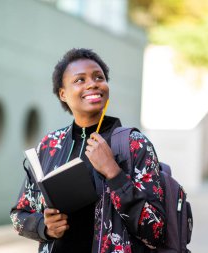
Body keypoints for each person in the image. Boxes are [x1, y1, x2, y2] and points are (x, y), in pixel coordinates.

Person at [10, 48, 165, 253]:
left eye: (99, 77)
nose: (92, 83)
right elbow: (19, 215)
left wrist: (114, 173)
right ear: (63, 94)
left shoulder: (134, 145)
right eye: (80, 80)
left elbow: (156, 230)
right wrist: (44, 226)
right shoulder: (49, 146)